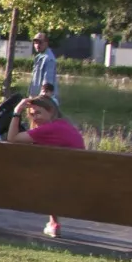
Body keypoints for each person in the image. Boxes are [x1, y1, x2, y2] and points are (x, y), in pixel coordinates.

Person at [7, 95, 85, 238]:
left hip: (65, 182)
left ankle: (54, 223)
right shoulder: (64, 125)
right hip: (77, 177)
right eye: (31, 114)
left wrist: (17, 111)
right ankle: (54, 223)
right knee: (52, 174)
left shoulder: (48, 129)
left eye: (38, 113)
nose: (35, 117)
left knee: (48, 177)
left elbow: (12, 138)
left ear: (50, 111)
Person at [30, 32, 58, 97]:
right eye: (35, 42)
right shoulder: (39, 57)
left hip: (43, 99)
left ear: (46, 43)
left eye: (40, 42)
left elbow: (47, 83)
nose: (37, 45)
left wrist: (41, 99)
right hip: (36, 97)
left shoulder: (49, 58)